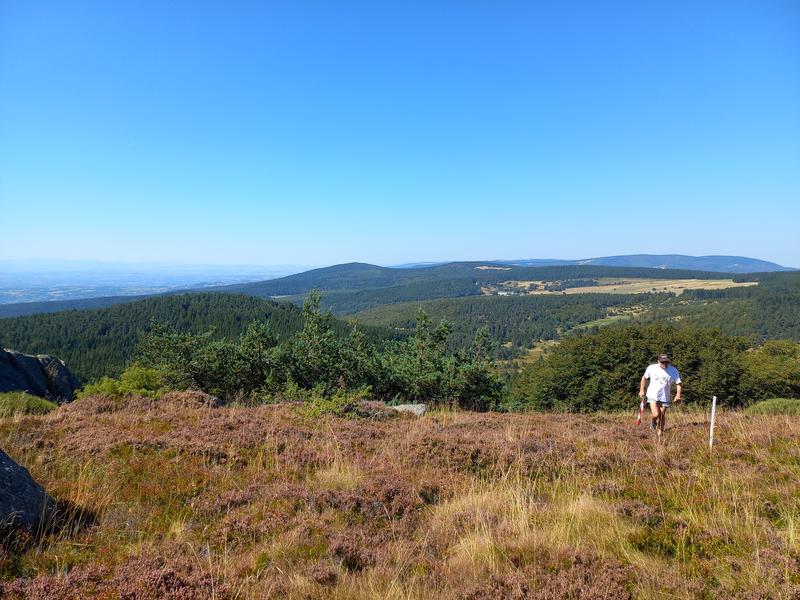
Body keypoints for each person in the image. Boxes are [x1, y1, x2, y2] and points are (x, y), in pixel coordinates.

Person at [639, 354, 682, 438]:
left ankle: (660, 434)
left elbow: (678, 383)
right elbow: (644, 378)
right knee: (655, 414)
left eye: (666, 362)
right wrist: (641, 390)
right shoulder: (651, 368)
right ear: (658, 361)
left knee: (662, 415)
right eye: (662, 362)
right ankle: (653, 422)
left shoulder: (673, 370)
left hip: (665, 396)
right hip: (652, 394)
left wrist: (678, 395)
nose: (664, 364)